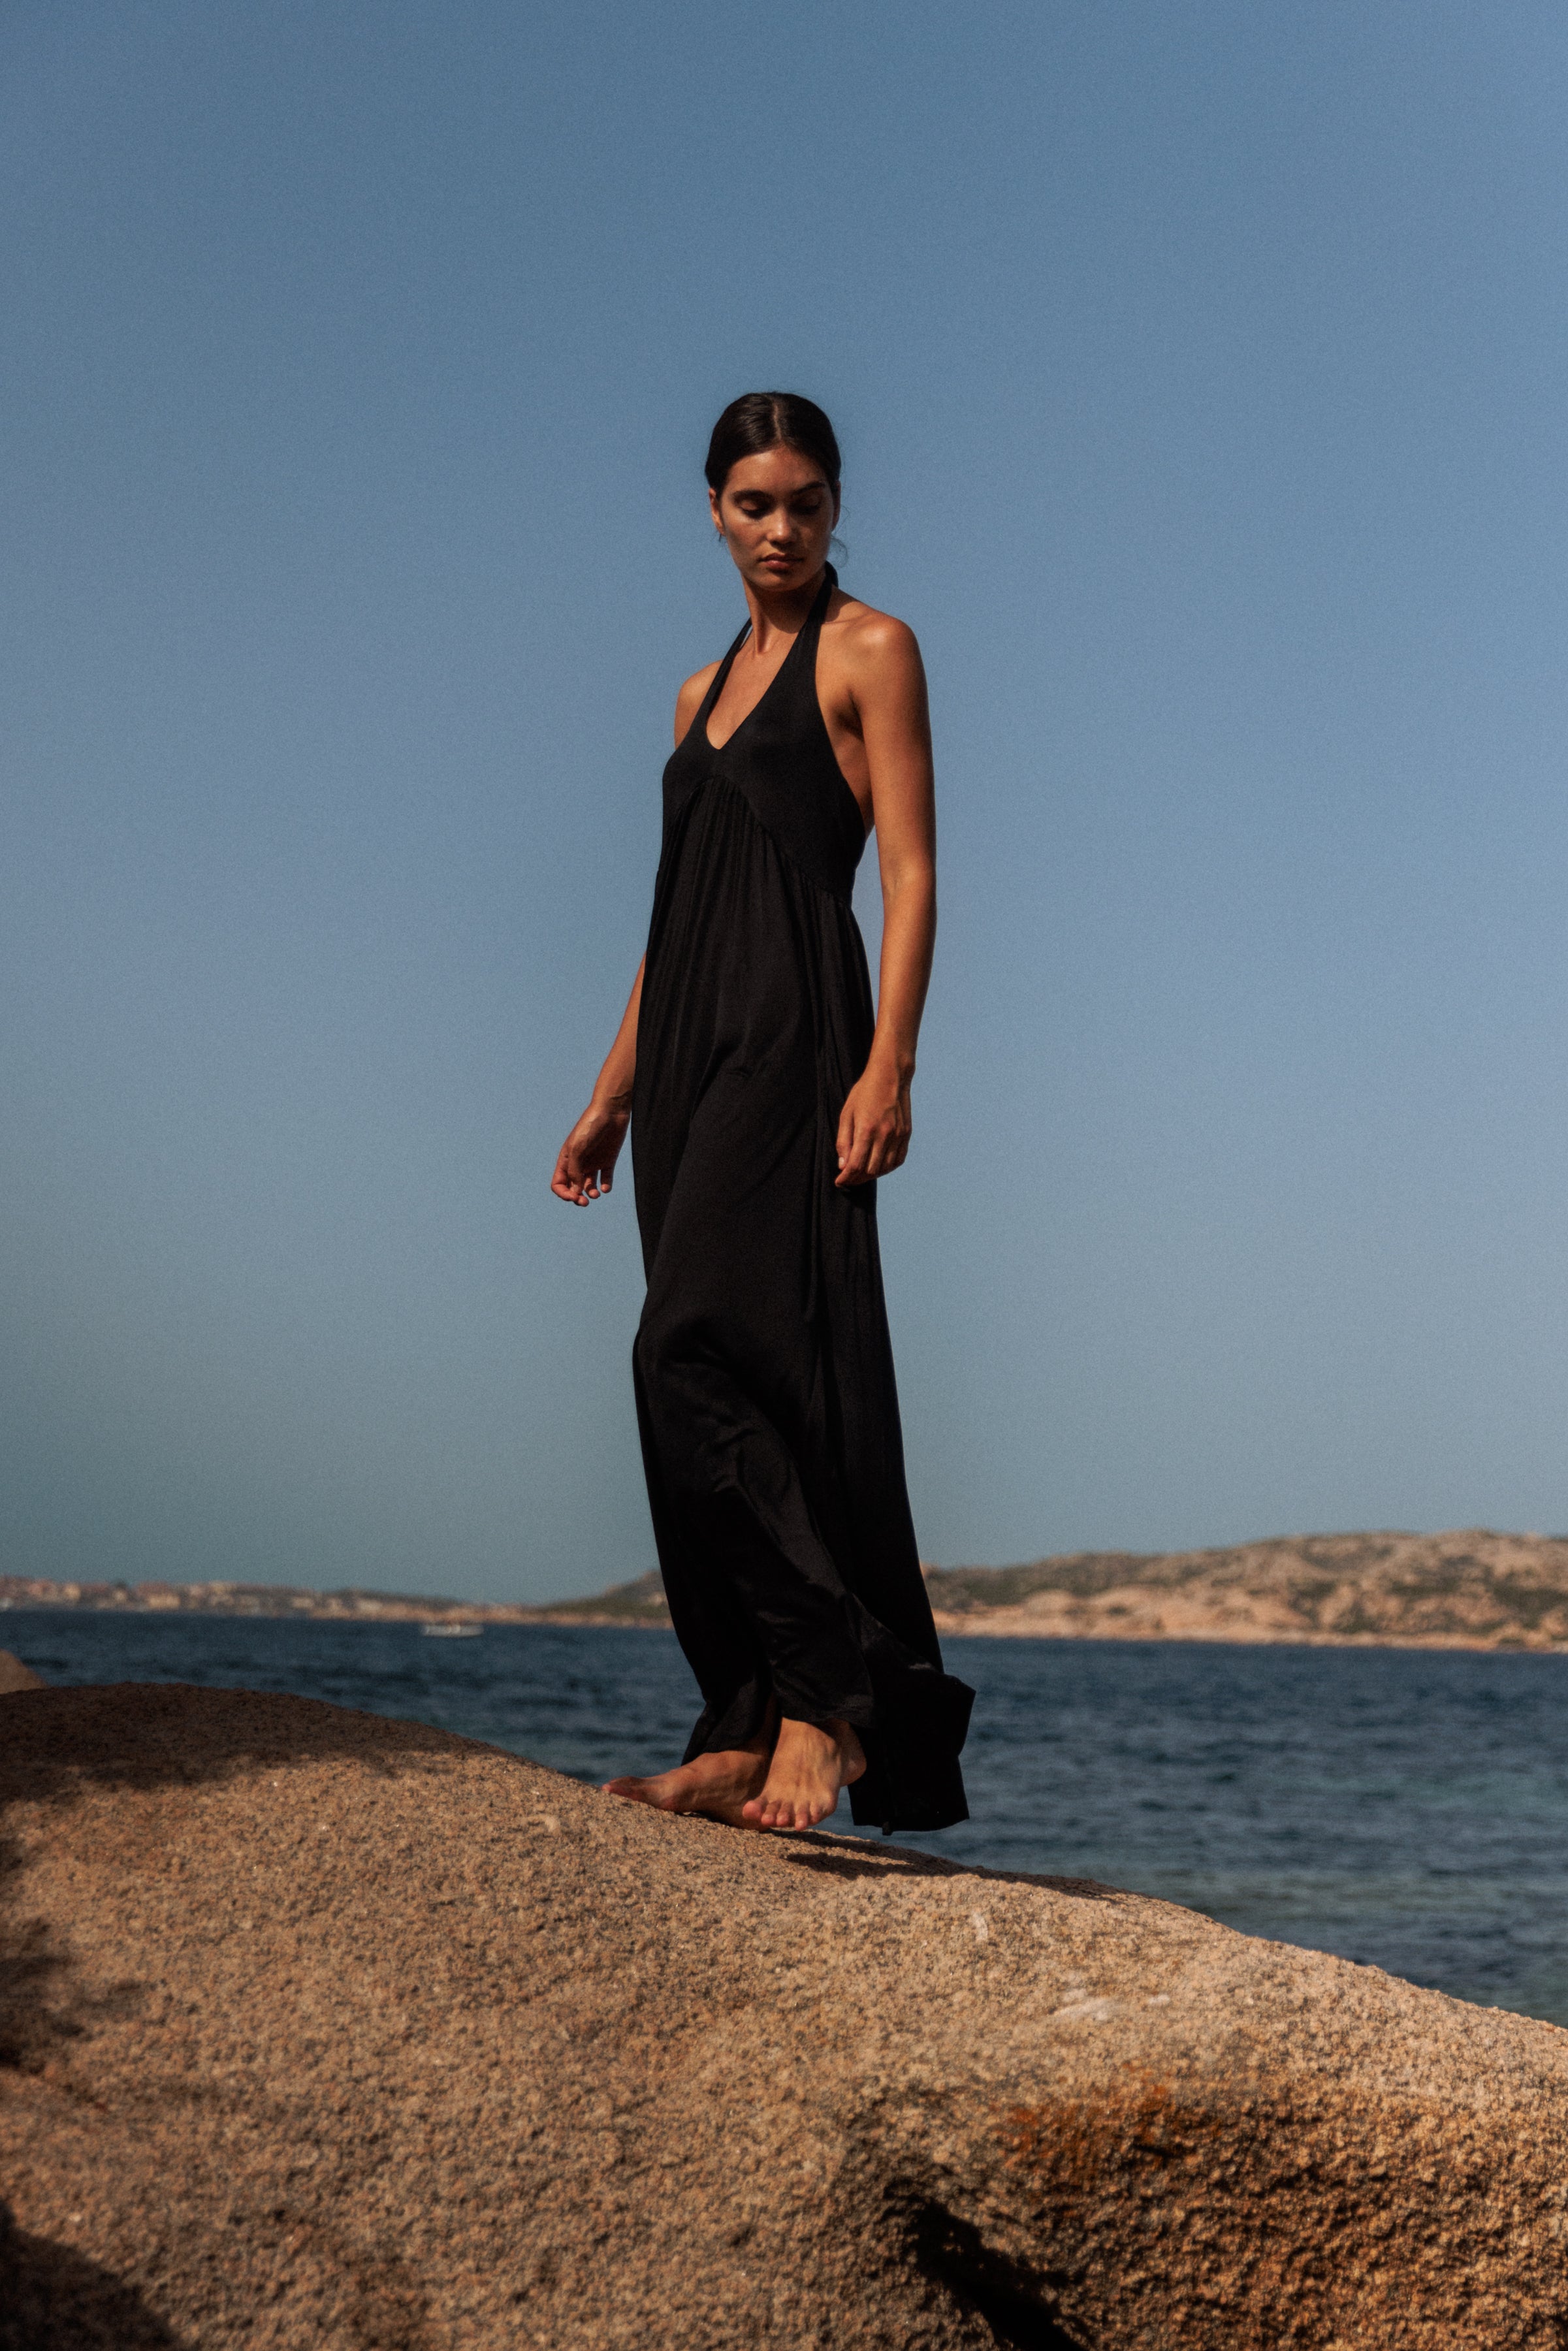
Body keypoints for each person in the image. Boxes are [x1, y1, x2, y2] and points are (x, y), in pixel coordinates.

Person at [552, 392, 972, 1835]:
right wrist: (612, 1092)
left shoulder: (873, 651)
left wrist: (892, 1061)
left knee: (714, 1353)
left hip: (804, 1035)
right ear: (715, 514)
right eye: (754, 503)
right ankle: (737, 1720)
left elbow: (911, 870)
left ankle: (825, 1703)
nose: (782, 527)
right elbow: (672, 918)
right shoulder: (694, 693)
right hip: (685, 1059)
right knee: (689, 1375)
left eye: (805, 500)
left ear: (837, 503)